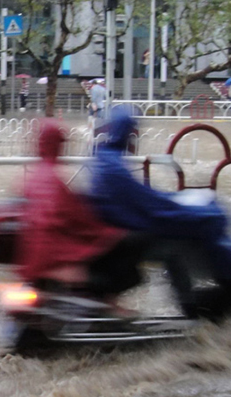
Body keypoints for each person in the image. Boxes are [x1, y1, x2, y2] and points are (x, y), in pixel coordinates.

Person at [89, 109, 231, 320]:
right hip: (129, 237)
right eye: (134, 135)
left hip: (125, 232)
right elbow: (149, 207)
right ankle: (193, 307)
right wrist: (196, 212)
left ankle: (199, 301)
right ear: (127, 134)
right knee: (178, 245)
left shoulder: (105, 161)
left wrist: (175, 204)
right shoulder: (114, 169)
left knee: (188, 229)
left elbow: (144, 201)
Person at [14, 120, 147, 302]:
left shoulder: (31, 179)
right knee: (129, 268)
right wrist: (109, 233)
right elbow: (80, 219)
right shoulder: (55, 180)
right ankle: (109, 303)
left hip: (33, 263)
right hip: (58, 259)